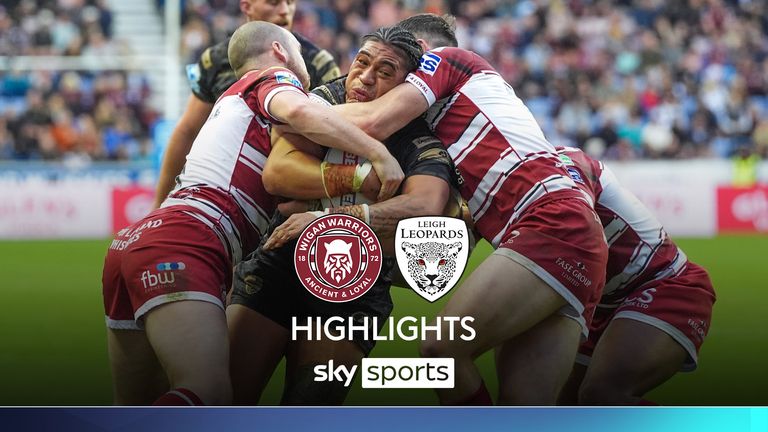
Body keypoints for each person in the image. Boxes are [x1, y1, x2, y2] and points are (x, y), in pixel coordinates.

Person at [101, 21, 402, 406]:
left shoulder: (233, 104)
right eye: (297, 49)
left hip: (137, 241)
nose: (303, 60)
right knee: (209, 392)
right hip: (190, 239)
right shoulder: (273, 78)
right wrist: (378, 154)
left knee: (139, 407)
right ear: (279, 50)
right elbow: (299, 110)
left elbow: (283, 193)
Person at [332, 13, 609, 405]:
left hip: (549, 221)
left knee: (439, 352)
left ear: (422, 53)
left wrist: (295, 109)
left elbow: (374, 121)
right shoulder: (448, 120)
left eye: (398, 61)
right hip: (566, 236)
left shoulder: (448, 58)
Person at [226, 25, 467, 405]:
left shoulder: (418, 135)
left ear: (408, 86)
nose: (365, 78)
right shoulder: (325, 99)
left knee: (308, 410)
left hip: (356, 285)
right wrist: (362, 178)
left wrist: (322, 218)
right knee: (224, 398)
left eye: (385, 73)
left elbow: (424, 207)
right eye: (362, 63)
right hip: (280, 262)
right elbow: (278, 174)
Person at [551, 146, 716, 405]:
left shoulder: (563, 159)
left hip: (666, 283)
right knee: (566, 405)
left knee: (600, 396)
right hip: (602, 303)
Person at [153, 0, 341, 208]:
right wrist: (159, 203)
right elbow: (187, 131)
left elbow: (333, 128)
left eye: (290, 3)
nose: (285, 11)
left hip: (286, 197)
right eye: (274, 3)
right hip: (225, 193)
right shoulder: (214, 60)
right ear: (246, 7)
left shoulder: (317, 61)